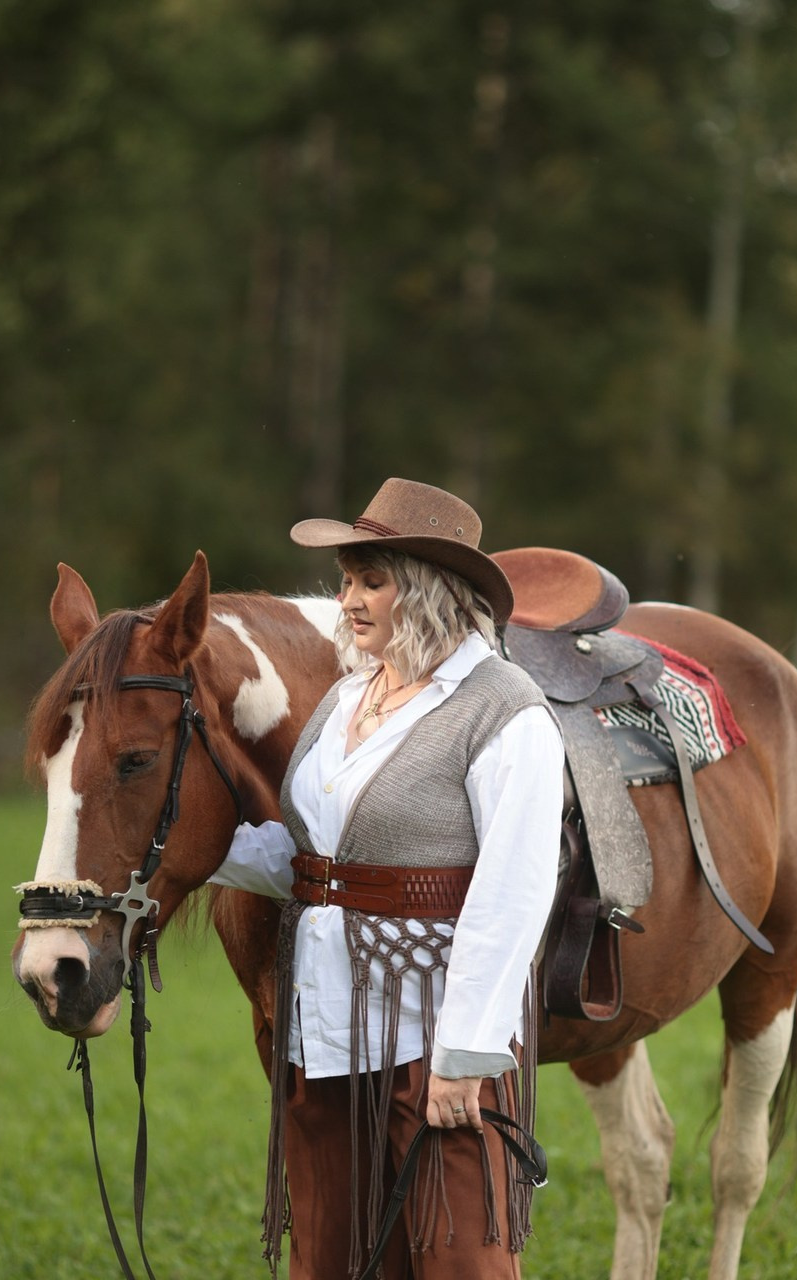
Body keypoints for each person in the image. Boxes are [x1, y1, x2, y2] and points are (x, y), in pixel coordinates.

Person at [209, 477, 564, 1280]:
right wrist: (180, 849)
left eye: (373, 580)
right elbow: (314, 861)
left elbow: (514, 892)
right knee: (330, 1261)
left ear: (433, 590)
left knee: (459, 1263)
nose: (349, 601)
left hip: (429, 1038)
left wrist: (466, 1054)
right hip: (324, 1034)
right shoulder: (345, 699)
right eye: (346, 580)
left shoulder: (504, 711)